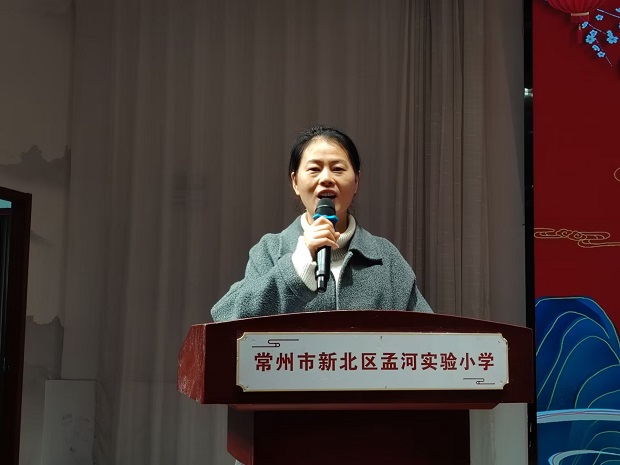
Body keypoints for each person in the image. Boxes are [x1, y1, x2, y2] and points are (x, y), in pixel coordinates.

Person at [211, 125, 432, 322]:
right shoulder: (270, 250)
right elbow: (226, 316)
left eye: (338, 169)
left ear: (356, 181)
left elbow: (430, 334)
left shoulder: (385, 257)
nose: (326, 178)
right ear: (295, 182)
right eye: (314, 169)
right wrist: (298, 266)